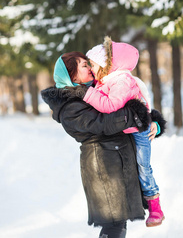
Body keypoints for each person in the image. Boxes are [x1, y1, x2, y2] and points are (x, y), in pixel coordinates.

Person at [41, 51, 165, 238]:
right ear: (71, 75)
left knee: (119, 224)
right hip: (104, 168)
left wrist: (151, 122)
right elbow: (104, 123)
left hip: (119, 162)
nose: (90, 68)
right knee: (114, 225)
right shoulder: (69, 106)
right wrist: (136, 115)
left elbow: (126, 104)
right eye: (84, 65)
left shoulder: (97, 90)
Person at [80, 37, 165, 227]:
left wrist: (86, 94)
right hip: (125, 130)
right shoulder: (104, 81)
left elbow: (111, 105)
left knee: (143, 166)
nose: (91, 69)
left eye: (92, 64)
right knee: (131, 167)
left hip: (139, 131)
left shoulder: (121, 81)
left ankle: (155, 207)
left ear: (104, 65)